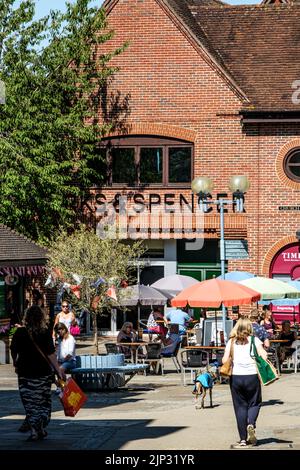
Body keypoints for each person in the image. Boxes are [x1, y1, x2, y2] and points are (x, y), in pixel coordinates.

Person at [10, 305, 65, 441]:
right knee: (43, 401)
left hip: (25, 373)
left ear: (26, 317)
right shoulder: (45, 332)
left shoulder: (19, 332)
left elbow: (13, 350)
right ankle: (40, 427)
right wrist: (58, 371)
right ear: (41, 317)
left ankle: (35, 430)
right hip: (43, 373)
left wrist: (15, 363)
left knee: (30, 402)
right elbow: (51, 354)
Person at [222, 317, 268, 448]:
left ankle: (243, 440)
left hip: (236, 377)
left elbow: (225, 360)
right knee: (255, 402)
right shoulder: (254, 340)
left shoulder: (231, 342)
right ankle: (251, 424)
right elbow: (264, 355)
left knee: (240, 407)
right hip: (252, 376)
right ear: (249, 328)